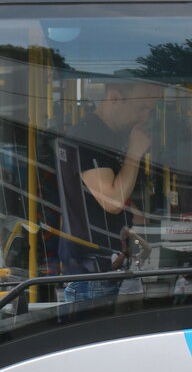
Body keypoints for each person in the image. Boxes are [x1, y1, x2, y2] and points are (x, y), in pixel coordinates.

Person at [56, 80, 162, 304]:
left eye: (150, 111)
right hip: (93, 273)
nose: (144, 118)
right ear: (114, 97)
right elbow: (112, 200)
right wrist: (135, 152)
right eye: (142, 108)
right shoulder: (90, 136)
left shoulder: (110, 135)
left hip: (108, 266)